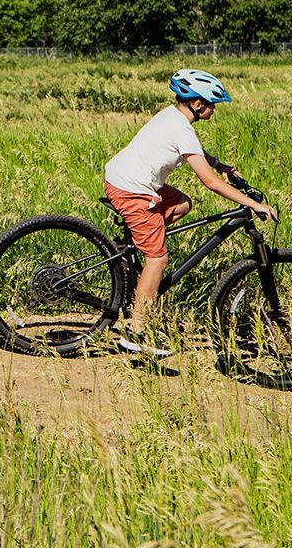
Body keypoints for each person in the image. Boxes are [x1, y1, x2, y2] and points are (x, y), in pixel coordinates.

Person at [101, 68, 274, 357]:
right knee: (158, 258)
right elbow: (210, 183)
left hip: (124, 178)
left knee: (182, 203)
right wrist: (253, 203)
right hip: (131, 190)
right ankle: (136, 330)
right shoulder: (182, 128)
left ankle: (139, 254)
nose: (214, 109)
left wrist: (219, 163)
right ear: (197, 103)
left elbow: (196, 154)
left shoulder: (173, 117)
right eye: (212, 103)